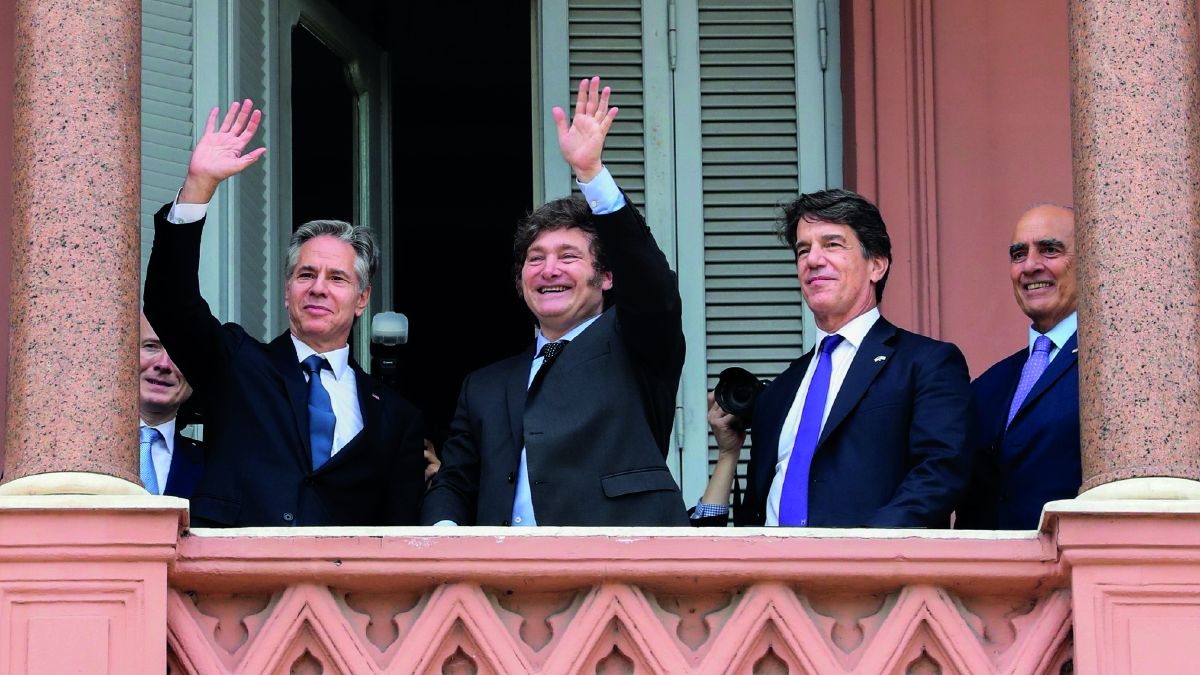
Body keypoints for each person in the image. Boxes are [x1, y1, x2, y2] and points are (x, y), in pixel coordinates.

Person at [143, 100, 426, 527]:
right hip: (236, 568)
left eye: (337, 278)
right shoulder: (236, 364)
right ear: (287, 291)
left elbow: (399, 531)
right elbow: (170, 302)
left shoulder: (395, 416)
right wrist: (199, 187)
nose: (318, 287)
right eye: (305, 274)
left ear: (362, 299)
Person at [420, 77, 689, 526]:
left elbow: (652, 285)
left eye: (568, 257)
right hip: (505, 567)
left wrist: (592, 175)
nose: (549, 270)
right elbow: (454, 483)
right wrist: (445, 533)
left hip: (618, 561)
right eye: (535, 259)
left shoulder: (638, 343)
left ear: (606, 276)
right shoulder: (484, 386)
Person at [693, 189, 972, 528]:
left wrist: (860, 551)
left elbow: (939, 473)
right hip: (773, 562)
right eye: (803, 250)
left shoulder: (926, 363)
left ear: (877, 265)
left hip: (871, 561)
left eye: (832, 245)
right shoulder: (780, 391)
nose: (812, 260)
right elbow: (751, 514)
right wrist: (728, 455)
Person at [955, 205, 1079, 530]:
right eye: (1018, 254)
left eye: (1049, 250)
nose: (1030, 266)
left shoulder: (1112, 367)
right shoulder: (987, 386)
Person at [139, 312, 204, 497]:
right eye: (151, 346)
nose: (164, 364)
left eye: (180, 352)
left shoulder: (216, 468)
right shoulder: (76, 451)